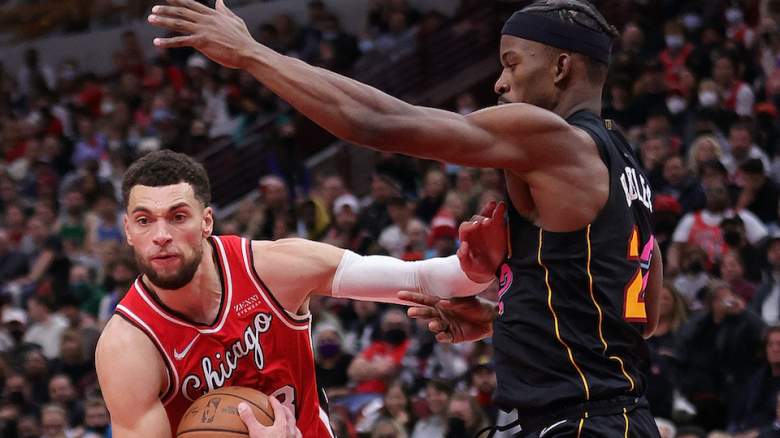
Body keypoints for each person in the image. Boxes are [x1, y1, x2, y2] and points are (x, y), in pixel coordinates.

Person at [148, 0, 662, 436]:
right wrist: (508, 317)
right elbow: (645, 314)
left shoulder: (551, 139)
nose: (501, 83)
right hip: (615, 413)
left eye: (511, 63)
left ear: (561, 67)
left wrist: (252, 54)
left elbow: (379, 122)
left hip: (582, 421)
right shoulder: (625, 163)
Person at [94, 150, 503, 437]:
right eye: (144, 220)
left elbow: (416, 279)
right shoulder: (129, 347)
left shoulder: (272, 268)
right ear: (128, 231)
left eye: (178, 216)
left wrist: (472, 266)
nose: (161, 236)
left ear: (206, 222)